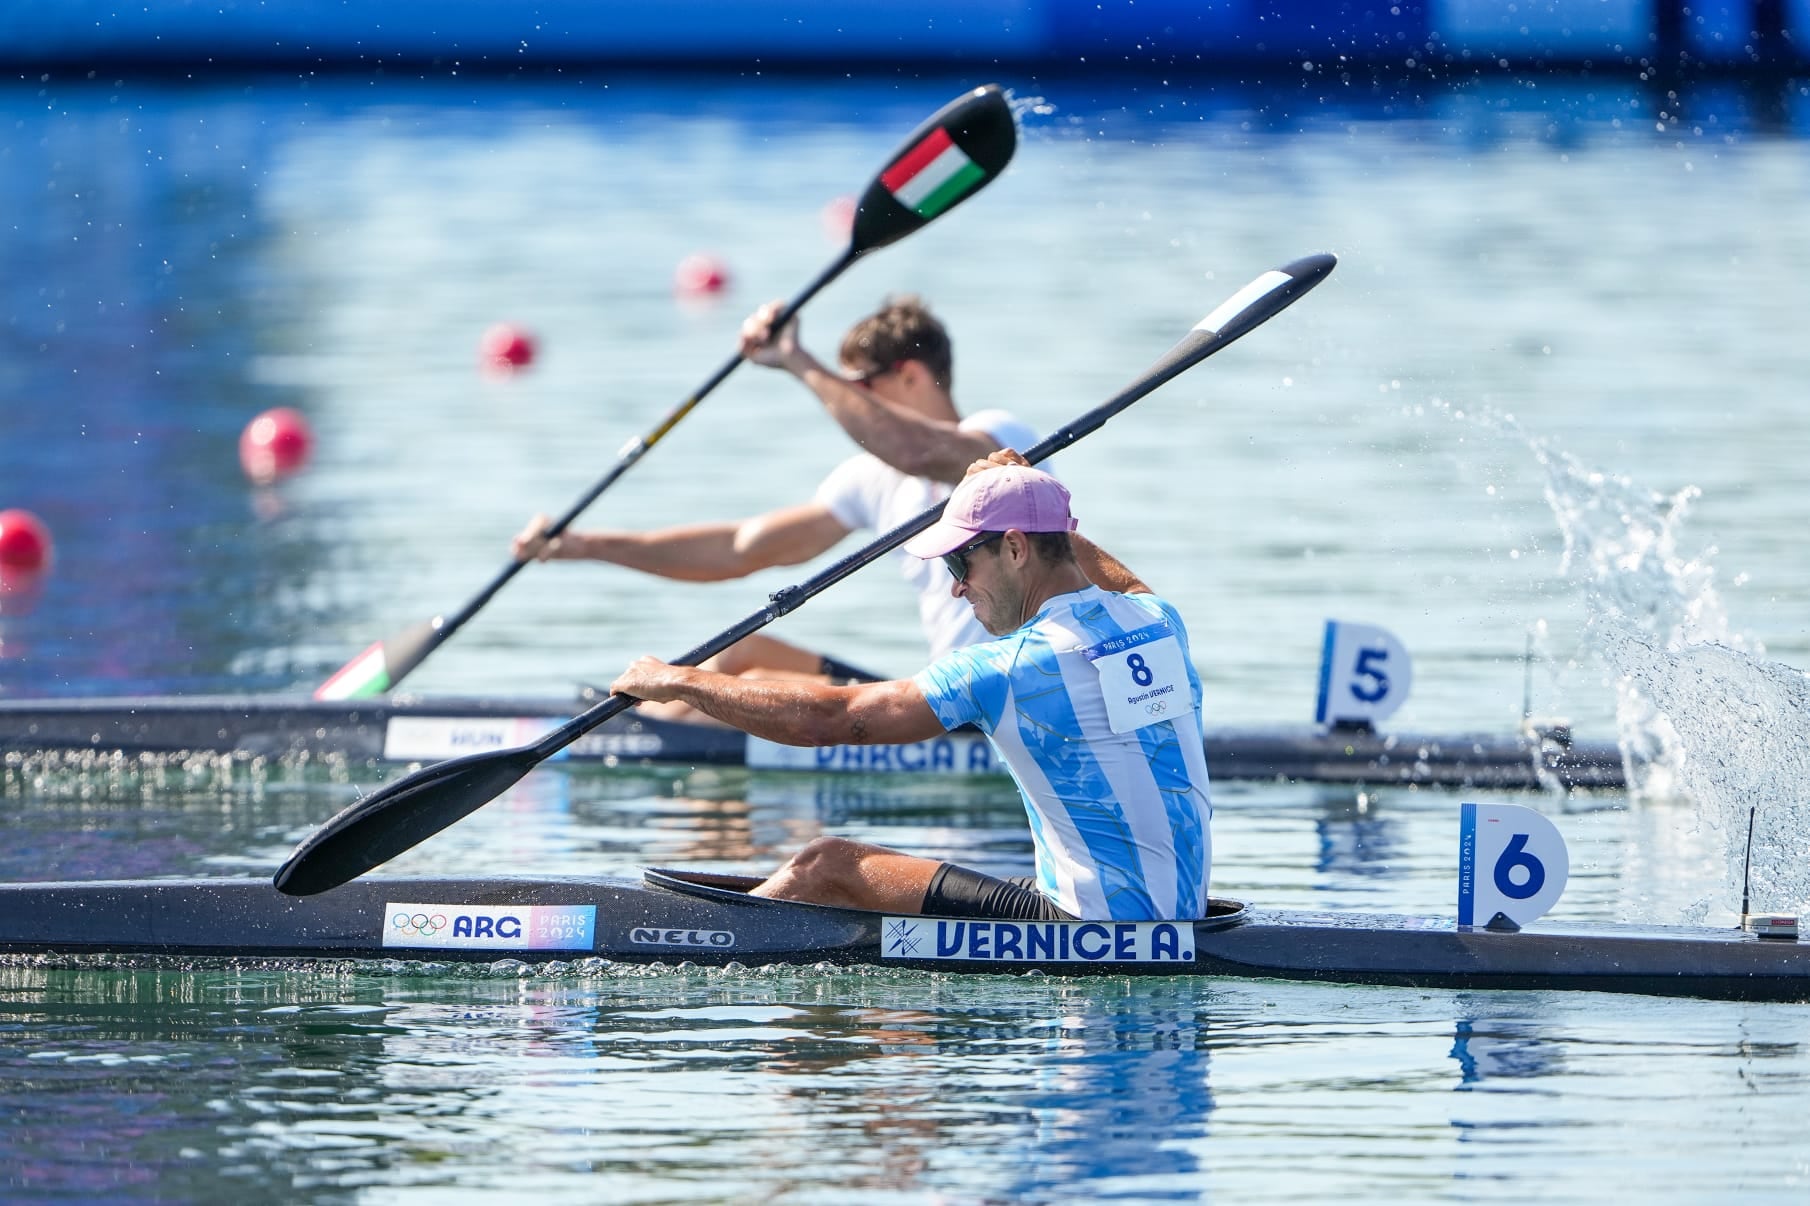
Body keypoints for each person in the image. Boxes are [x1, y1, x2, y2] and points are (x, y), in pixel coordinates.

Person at [609, 451, 1213, 923]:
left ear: (1015, 548)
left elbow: (829, 721)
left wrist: (679, 681)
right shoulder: (1158, 624)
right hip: (1179, 916)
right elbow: (1112, 578)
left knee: (827, 865)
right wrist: (1030, 498)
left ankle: (697, 943)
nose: (957, 588)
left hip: (1091, 928)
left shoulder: (1005, 667)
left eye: (960, 565)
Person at [513, 296, 1039, 689]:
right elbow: (742, 548)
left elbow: (918, 451)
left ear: (910, 376)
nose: (844, 403)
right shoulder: (872, 478)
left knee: (731, 693)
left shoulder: (1003, 442)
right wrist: (585, 547)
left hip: (1021, 695)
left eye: (858, 387)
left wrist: (797, 360)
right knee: (734, 660)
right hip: (946, 693)